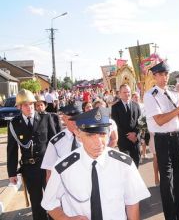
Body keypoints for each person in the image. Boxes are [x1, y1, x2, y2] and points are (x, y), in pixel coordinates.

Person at [41, 107, 150, 219]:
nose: (98, 142)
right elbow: (49, 203)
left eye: (102, 134)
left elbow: (132, 203)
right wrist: (65, 218)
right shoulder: (63, 168)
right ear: (78, 134)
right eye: (90, 135)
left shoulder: (124, 164)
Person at [143, 61, 179, 220]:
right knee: (167, 181)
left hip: (177, 138)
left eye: (166, 74)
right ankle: (171, 216)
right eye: (161, 74)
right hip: (162, 140)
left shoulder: (174, 93)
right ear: (154, 76)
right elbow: (160, 120)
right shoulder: (150, 95)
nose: (164, 77)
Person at [7, 89, 57, 220]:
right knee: (36, 202)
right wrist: (11, 172)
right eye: (25, 105)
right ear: (19, 107)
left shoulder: (46, 118)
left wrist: (55, 166)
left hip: (47, 168)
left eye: (31, 104)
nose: (29, 107)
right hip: (29, 169)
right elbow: (11, 150)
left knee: (52, 199)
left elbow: (54, 143)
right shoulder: (14, 124)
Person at [41, 103, 82, 181]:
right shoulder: (55, 142)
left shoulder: (91, 137)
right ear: (64, 119)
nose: (75, 121)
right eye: (72, 119)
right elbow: (49, 170)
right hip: (64, 188)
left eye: (78, 118)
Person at [112, 84, 142, 167]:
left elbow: (140, 122)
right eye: (124, 92)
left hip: (135, 140)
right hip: (123, 141)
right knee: (126, 165)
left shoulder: (136, 105)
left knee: (136, 162)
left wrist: (135, 134)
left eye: (128, 92)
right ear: (120, 94)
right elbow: (116, 124)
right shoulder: (115, 107)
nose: (127, 94)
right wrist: (129, 135)